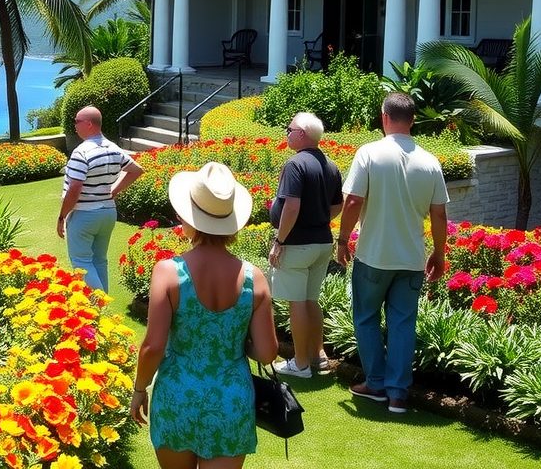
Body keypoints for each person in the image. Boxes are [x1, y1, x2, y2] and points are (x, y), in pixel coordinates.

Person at [130, 162, 278, 469]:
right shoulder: (255, 278)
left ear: (190, 218)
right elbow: (266, 353)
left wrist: (139, 389)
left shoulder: (168, 273)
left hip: (178, 395)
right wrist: (235, 339)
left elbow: (153, 347)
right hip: (230, 399)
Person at [335, 92, 448, 415]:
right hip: (411, 258)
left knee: (366, 317)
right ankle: (398, 394)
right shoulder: (430, 161)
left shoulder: (369, 153)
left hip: (373, 255)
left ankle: (376, 383)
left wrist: (343, 240)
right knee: (403, 324)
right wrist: (439, 254)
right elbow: (439, 215)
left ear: (384, 117)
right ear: (413, 120)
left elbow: (353, 201)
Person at [268, 111, 343, 379]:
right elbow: (337, 206)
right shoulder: (331, 165)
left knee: (297, 302)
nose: (287, 133)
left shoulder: (295, 165)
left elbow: (292, 205)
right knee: (311, 300)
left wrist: (280, 240)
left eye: (289, 129)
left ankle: (300, 364)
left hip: (297, 244)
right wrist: (319, 220)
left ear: (301, 134)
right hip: (322, 242)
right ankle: (317, 355)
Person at [57, 105, 144, 291]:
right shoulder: (113, 149)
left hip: (84, 215)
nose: (74, 126)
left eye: (77, 122)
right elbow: (136, 170)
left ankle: (99, 308)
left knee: (81, 262)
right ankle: (105, 308)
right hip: (107, 212)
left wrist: (62, 216)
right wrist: (112, 191)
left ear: (88, 124)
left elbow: (75, 188)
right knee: (99, 260)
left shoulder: (81, 152)